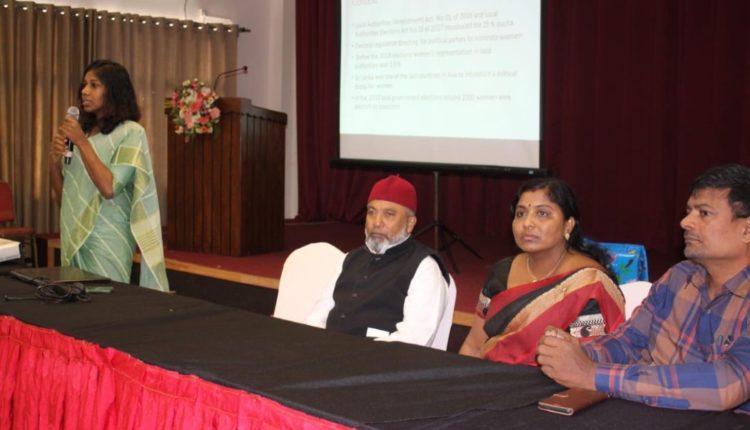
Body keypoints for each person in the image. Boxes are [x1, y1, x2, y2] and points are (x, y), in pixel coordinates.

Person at [537, 164, 750, 412]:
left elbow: (727, 385)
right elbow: (631, 341)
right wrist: (577, 354)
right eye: (688, 211)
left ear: (747, 230)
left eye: (703, 213)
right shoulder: (680, 277)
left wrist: (592, 374)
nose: (685, 222)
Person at [459, 177, 625, 365]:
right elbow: (474, 346)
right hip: (491, 376)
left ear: (568, 225)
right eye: (521, 214)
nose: (527, 223)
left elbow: (586, 365)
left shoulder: (588, 284)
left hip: (555, 381)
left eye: (542, 214)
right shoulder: (501, 272)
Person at [49, 59, 169, 292]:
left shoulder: (131, 132)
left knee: (106, 304)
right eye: (84, 84)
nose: (85, 91)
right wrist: (53, 163)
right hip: (74, 236)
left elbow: (109, 188)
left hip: (108, 237)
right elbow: (65, 201)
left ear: (114, 91)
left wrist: (81, 143)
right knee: (76, 304)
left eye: (94, 85)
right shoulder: (83, 134)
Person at [306, 175, 450, 348]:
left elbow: (414, 339)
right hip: (327, 351)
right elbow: (318, 316)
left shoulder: (424, 268)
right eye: (371, 212)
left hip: (380, 358)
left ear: (410, 223)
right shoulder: (351, 258)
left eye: (389, 214)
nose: (377, 222)